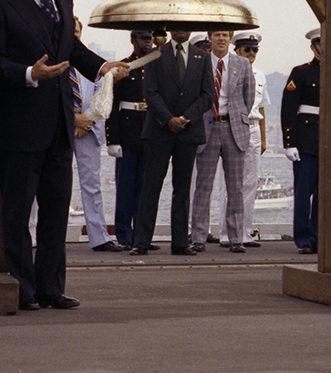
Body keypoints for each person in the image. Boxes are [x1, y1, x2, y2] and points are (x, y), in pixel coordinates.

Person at [0, 0, 128, 311]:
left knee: (55, 210)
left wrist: (103, 67)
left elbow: (71, 49)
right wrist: (30, 73)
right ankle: (24, 290)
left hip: (61, 126)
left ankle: (51, 287)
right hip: (19, 123)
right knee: (17, 213)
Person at [131, 29, 214, 257]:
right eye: (176, 26)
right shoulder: (155, 54)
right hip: (160, 130)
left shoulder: (203, 57)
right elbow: (150, 92)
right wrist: (168, 119)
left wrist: (186, 118)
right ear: (169, 29)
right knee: (151, 186)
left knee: (182, 189)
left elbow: (207, 95)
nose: (181, 30)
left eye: (185, 26)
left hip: (188, 132)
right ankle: (141, 241)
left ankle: (180, 243)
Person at [190, 30, 255, 253]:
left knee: (235, 187)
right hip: (207, 128)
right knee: (203, 187)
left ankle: (236, 237)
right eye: (217, 35)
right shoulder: (200, 63)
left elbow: (248, 98)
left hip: (233, 128)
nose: (221, 39)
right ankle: (198, 236)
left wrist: (236, 118)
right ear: (210, 37)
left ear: (230, 38)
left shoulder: (242, 64)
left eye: (225, 35)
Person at [70, 18, 122, 252]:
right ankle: (33, 235)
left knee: (92, 185)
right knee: (47, 184)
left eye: (77, 31)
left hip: (87, 129)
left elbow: (102, 94)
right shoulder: (51, 60)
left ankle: (99, 237)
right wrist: (73, 119)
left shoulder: (91, 63)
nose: (74, 35)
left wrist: (86, 120)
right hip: (58, 127)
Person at [105, 29, 155, 249]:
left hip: (150, 133)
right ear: (133, 39)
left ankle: (142, 237)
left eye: (150, 38)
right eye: (143, 37)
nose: (147, 41)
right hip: (127, 133)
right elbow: (112, 105)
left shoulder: (156, 65)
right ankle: (125, 235)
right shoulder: (123, 67)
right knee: (125, 188)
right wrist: (112, 140)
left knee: (145, 189)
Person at [219, 30, 268, 247]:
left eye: (254, 50)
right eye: (247, 50)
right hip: (232, 128)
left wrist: (264, 139)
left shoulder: (261, 75)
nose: (251, 54)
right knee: (228, 184)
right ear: (236, 50)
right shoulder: (227, 70)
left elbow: (262, 109)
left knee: (250, 183)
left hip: (254, 129)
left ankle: (245, 232)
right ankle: (225, 233)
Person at [281, 27, 323, 254]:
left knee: (323, 194)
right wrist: (289, 142)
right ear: (313, 47)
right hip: (305, 141)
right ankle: (304, 239)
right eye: (320, 43)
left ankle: (319, 237)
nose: (324, 47)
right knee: (303, 192)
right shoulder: (301, 72)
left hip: (329, 139)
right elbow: (289, 108)